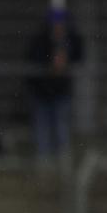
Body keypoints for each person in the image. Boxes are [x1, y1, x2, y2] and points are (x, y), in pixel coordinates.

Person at [26, 8, 84, 159]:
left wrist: (65, 61)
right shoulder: (40, 41)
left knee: (61, 127)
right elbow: (33, 59)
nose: (58, 27)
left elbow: (79, 56)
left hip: (61, 92)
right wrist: (50, 63)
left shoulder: (71, 40)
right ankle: (44, 162)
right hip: (41, 92)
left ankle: (63, 161)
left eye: (61, 24)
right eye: (55, 24)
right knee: (42, 128)